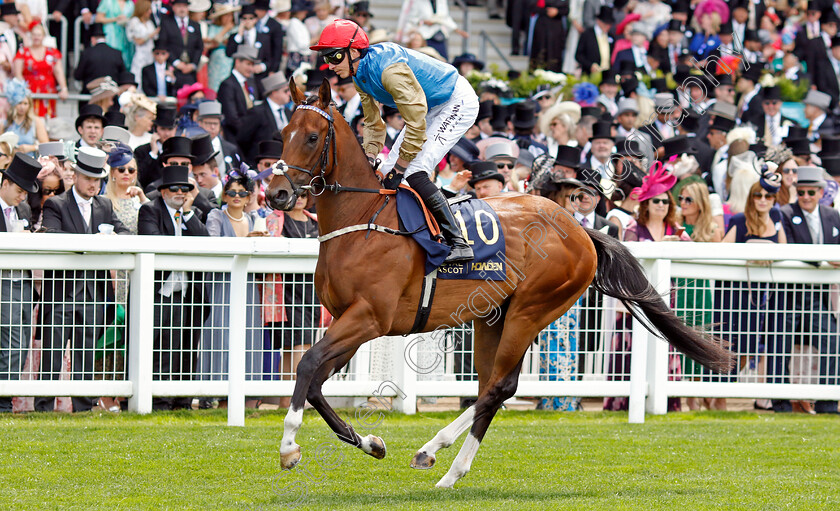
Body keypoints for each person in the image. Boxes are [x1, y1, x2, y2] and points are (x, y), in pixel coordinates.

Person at [312, 19, 479, 262]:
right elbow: (372, 122)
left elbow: (415, 124)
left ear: (354, 51)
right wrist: (370, 156)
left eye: (335, 57)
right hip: (430, 105)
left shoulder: (389, 71)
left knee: (414, 169)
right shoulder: (359, 75)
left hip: (456, 101)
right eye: (326, 58)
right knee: (388, 169)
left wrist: (401, 167)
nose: (330, 65)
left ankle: (458, 241)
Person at [38, 147, 130, 413]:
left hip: (94, 294)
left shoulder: (103, 205)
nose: (93, 184)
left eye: (98, 179)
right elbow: (54, 237)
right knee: (52, 354)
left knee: (86, 352)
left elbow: (122, 231)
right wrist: (93, 243)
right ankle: (44, 406)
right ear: (76, 176)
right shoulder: (56, 204)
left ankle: (83, 407)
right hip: (61, 293)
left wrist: (113, 239)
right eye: (88, 178)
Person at [137, 164, 209, 410]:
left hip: (185, 294)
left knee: (180, 347)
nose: (181, 193)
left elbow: (206, 243)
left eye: (186, 189)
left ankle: (179, 400)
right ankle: (157, 400)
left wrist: (188, 214)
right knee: (156, 346)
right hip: (157, 292)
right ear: (164, 191)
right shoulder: (150, 210)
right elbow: (153, 240)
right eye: (176, 189)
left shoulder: (192, 213)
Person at [776, 166, 840, 414]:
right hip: (789, 296)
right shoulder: (785, 213)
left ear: (821, 192)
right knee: (779, 345)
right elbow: (792, 249)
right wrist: (826, 260)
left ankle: (827, 402)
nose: (805, 197)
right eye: (801, 192)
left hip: (818, 297)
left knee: (832, 342)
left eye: (810, 192)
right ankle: (779, 403)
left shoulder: (833, 216)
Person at [197, 173, 263, 406]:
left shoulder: (256, 218)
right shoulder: (216, 215)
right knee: (220, 335)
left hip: (247, 285)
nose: (237, 196)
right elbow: (215, 245)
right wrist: (247, 240)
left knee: (249, 334)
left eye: (242, 192)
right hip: (221, 284)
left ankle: (248, 396)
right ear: (224, 195)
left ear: (248, 197)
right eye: (232, 192)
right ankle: (214, 394)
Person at [675, 181, 722, 410]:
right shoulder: (675, 226)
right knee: (680, 336)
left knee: (702, 337)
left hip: (702, 291)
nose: (683, 204)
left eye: (688, 200)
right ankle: (686, 396)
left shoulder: (712, 230)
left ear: (700, 203)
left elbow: (717, 265)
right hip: (679, 289)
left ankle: (699, 392)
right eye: (681, 199)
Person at [0, 154, 41, 412]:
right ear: (4, 182)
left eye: (26, 192)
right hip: (4, 282)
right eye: (18, 190)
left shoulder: (24, 209)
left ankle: (6, 400)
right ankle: (3, 404)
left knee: (22, 344)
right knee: (12, 345)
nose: (22, 196)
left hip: (23, 284)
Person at [12, 23, 67, 117]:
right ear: (31, 36)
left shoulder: (52, 52)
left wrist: (64, 88)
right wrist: (23, 91)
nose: (36, 37)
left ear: (43, 36)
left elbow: (58, 71)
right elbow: (17, 73)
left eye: (39, 35)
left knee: (47, 121)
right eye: (34, 35)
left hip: (48, 92)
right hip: (28, 92)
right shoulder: (23, 52)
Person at [238, 72, 291, 165]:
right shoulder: (257, 112)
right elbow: (242, 139)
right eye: (285, 91)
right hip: (261, 165)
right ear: (274, 92)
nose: (289, 94)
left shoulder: (288, 112)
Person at [217, 45, 260, 142]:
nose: (251, 68)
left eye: (252, 65)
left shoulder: (250, 83)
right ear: (237, 62)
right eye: (248, 64)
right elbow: (232, 119)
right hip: (236, 138)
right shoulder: (227, 85)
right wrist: (249, 132)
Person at [157, 0, 203, 90]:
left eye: (184, 6)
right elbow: (163, 44)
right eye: (179, 6)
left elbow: (199, 47)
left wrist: (193, 64)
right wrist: (176, 62)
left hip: (190, 69)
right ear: (173, 7)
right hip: (173, 67)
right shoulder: (166, 23)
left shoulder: (195, 25)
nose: (182, 9)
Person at [73, 23, 127, 94]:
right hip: (111, 95)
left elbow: (78, 75)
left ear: (92, 39)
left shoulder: (87, 53)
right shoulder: (116, 53)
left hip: (90, 95)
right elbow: (123, 74)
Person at [1, 79, 48, 157]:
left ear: (29, 105)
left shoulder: (35, 121)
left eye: (25, 103)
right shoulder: (6, 123)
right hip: (10, 162)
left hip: (30, 161)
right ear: (14, 104)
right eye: (19, 103)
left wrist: (31, 148)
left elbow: (46, 145)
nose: (22, 107)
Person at [135, 105, 176, 191]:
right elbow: (139, 177)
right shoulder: (141, 151)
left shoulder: (179, 150)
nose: (167, 133)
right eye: (163, 129)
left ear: (175, 129)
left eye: (170, 129)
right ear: (155, 129)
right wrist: (153, 153)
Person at [196, 100, 240, 173]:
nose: (212, 127)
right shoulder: (193, 146)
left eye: (216, 124)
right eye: (208, 123)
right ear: (200, 123)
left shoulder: (231, 149)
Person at [205, 2, 238, 91]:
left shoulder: (235, 29)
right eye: (226, 15)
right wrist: (226, 29)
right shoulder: (214, 27)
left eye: (230, 15)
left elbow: (232, 43)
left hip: (229, 59)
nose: (228, 18)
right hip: (216, 59)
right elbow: (214, 41)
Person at [127, 0, 158, 85]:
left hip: (150, 55)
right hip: (140, 55)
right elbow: (138, 41)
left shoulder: (149, 22)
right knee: (139, 78)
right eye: (148, 9)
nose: (150, 11)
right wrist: (152, 34)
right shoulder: (134, 21)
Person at [96, 0, 135, 69]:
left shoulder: (130, 3)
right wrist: (115, 19)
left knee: (125, 59)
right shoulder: (107, 1)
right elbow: (98, 18)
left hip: (125, 36)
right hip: (111, 34)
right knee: (111, 57)